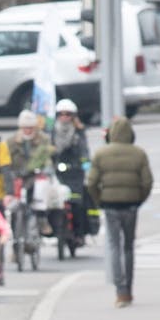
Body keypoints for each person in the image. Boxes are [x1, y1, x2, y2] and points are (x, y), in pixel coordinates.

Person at [85, 117, 153, 307]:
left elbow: (91, 183)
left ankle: (120, 290)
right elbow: (147, 182)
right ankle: (129, 289)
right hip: (131, 204)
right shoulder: (139, 154)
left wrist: (100, 200)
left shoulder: (101, 154)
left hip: (110, 204)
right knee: (129, 246)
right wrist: (139, 198)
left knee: (114, 245)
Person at [50, 98, 95, 239]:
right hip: (58, 172)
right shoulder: (52, 132)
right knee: (53, 204)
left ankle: (79, 233)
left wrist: (86, 164)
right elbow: (47, 151)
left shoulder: (78, 132)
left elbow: (84, 151)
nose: (64, 117)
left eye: (68, 114)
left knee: (78, 204)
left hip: (75, 172)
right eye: (61, 114)